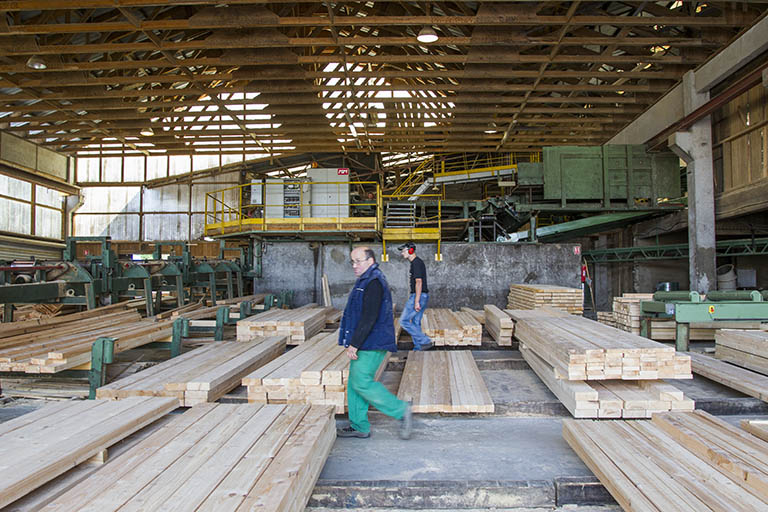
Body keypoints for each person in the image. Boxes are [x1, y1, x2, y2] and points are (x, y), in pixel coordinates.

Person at [337, 246, 413, 440]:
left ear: (370, 261)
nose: (354, 265)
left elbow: (369, 317)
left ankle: (401, 409)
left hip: (372, 341)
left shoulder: (374, 282)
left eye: (358, 261)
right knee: (355, 383)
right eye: (352, 262)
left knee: (361, 381)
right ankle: (359, 426)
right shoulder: (365, 280)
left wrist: (354, 343)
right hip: (366, 340)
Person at [398, 242, 433, 351]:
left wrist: (416, 301)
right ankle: (418, 347)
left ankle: (425, 341)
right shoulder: (416, 263)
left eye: (403, 251)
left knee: (403, 321)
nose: (402, 253)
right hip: (422, 296)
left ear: (410, 251)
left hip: (418, 296)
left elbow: (419, 282)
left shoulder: (416, 263)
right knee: (415, 322)